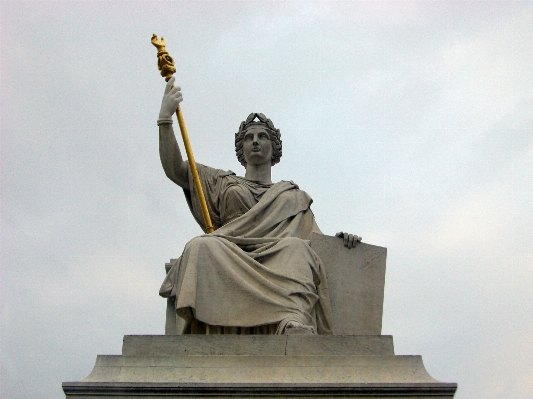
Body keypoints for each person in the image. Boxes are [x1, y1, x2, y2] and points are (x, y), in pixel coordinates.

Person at [158, 78, 361, 335]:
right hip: (231, 252)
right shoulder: (220, 181)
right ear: (240, 148)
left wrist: (343, 241)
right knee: (201, 245)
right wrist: (165, 119)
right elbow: (174, 168)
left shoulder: (293, 196)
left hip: (278, 256)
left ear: (274, 148)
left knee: (297, 249)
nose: (255, 141)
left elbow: (317, 242)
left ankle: (291, 322)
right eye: (249, 137)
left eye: (262, 136)